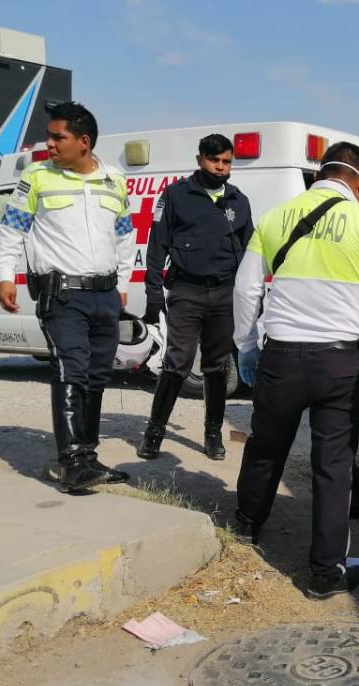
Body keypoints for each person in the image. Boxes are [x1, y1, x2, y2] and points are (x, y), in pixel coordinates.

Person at [231, 142, 359, 600]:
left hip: (280, 354)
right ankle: (325, 572)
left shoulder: (275, 216)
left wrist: (244, 346)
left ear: (321, 173)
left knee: (265, 445)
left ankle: (246, 531)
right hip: (339, 361)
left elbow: (245, 289)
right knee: (334, 465)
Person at [0, 101, 135, 493]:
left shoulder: (114, 179)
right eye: (49, 135)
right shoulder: (37, 177)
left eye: (59, 137)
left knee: (96, 376)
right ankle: (71, 462)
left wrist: (121, 283)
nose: (50, 143)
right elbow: (12, 231)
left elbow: (125, 235)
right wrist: (6, 276)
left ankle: (88, 456)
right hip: (63, 296)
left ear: (84, 141)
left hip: (105, 295)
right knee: (70, 369)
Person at [136, 134, 254, 461]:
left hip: (225, 293)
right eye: (214, 160)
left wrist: (248, 297)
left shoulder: (238, 200)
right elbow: (157, 245)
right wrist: (153, 295)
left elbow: (250, 252)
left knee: (217, 366)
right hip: (186, 291)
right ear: (200, 158)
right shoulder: (176, 196)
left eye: (226, 161)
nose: (221, 167)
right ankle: (154, 433)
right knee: (178, 361)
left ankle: (213, 433)